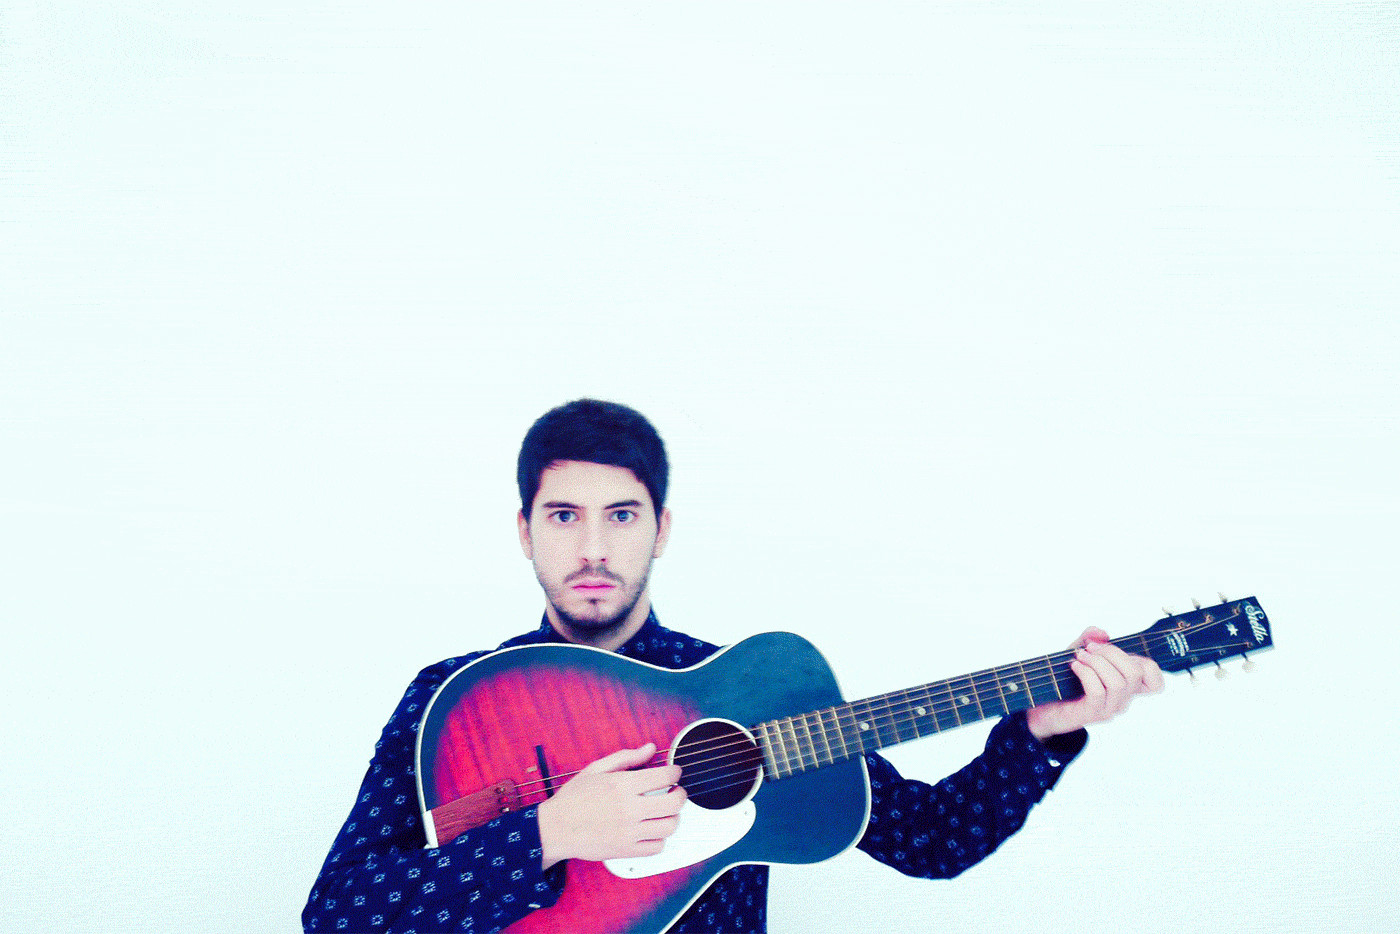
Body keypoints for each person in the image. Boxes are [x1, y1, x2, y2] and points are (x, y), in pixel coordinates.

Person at [304, 399, 1163, 933]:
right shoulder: (454, 699)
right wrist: (550, 833)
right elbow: (339, 914)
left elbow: (931, 840)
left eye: (622, 515)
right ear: (525, 532)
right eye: (564, 516)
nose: (594, 547)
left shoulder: (751, 693)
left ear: (661, 530)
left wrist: (1041, 733)